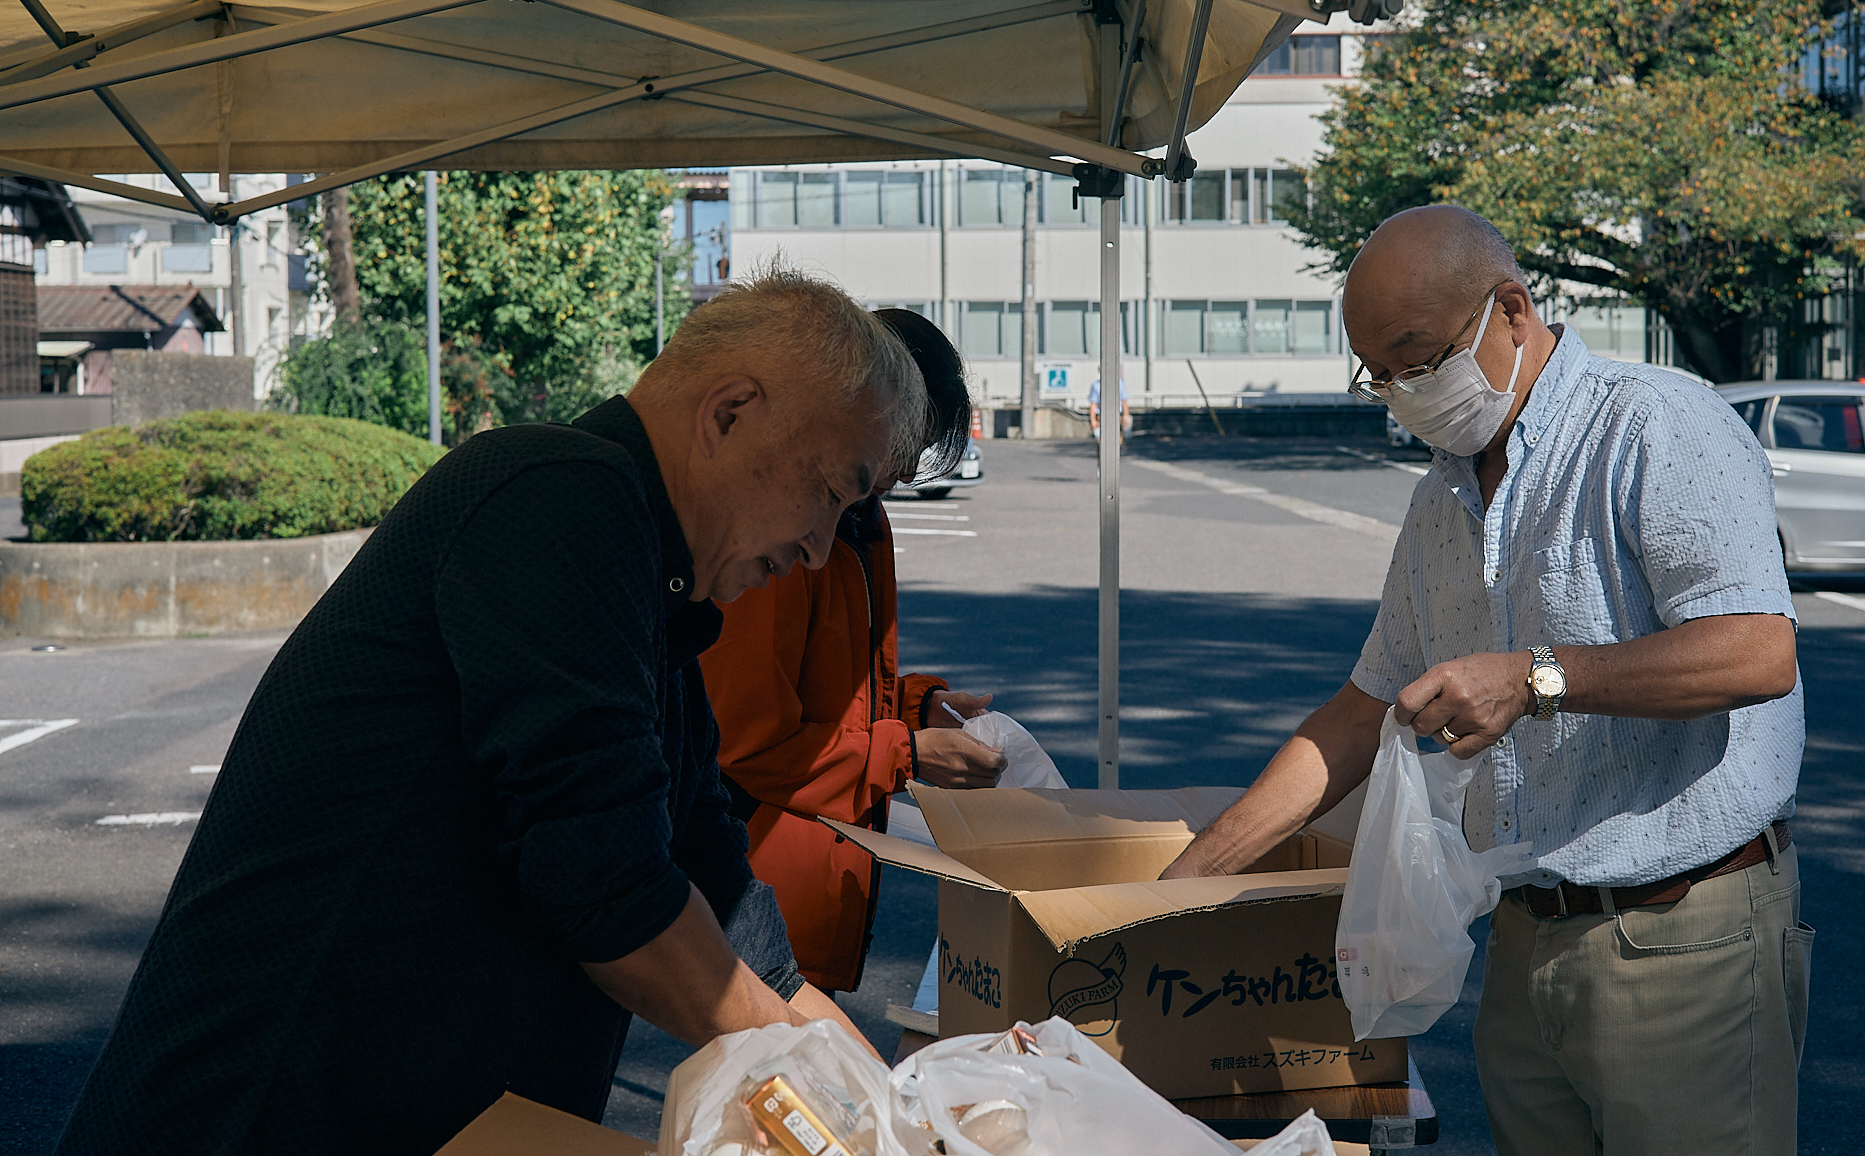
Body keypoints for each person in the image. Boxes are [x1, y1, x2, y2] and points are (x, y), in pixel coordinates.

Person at [54, 265, 924, 1156]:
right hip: (256, 1114)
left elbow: (741, 930)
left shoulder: (656, 619)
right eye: (830, 492)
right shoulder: (556, 497)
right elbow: (614, 900)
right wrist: (838, 1121)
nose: (821, 550)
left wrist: (896, 1125)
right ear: (730, 411)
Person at [1162, 205, 1808, 1156]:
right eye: (1377, 373)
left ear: (1510, 308)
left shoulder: (1655, 424)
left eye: (1417, 358)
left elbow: (1757, 649)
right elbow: (1358, 712)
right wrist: (1183, 884)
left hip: (1683, 938)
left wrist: (1540, 676)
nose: (1401, 390)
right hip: (1523, 932)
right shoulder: (1442, 498)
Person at [701, 308, 1006, 994]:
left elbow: (849, 684)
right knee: (765, 1077)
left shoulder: (862, 514)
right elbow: (748, 741)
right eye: (904, 446)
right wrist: (907, 753)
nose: (899, 473)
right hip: (759, 870)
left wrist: (921, 704)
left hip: (819, 862)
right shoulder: (787, 526)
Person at [1088, 374, 1132, 442]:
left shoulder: (1120, 383)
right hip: (1100, 416)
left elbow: (1124, 401)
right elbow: (1093, 404)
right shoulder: (1096, 385)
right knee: (1101, 440)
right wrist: (1093, 419)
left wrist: (1126, 416)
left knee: (1117, 440)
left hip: (1117, 415)